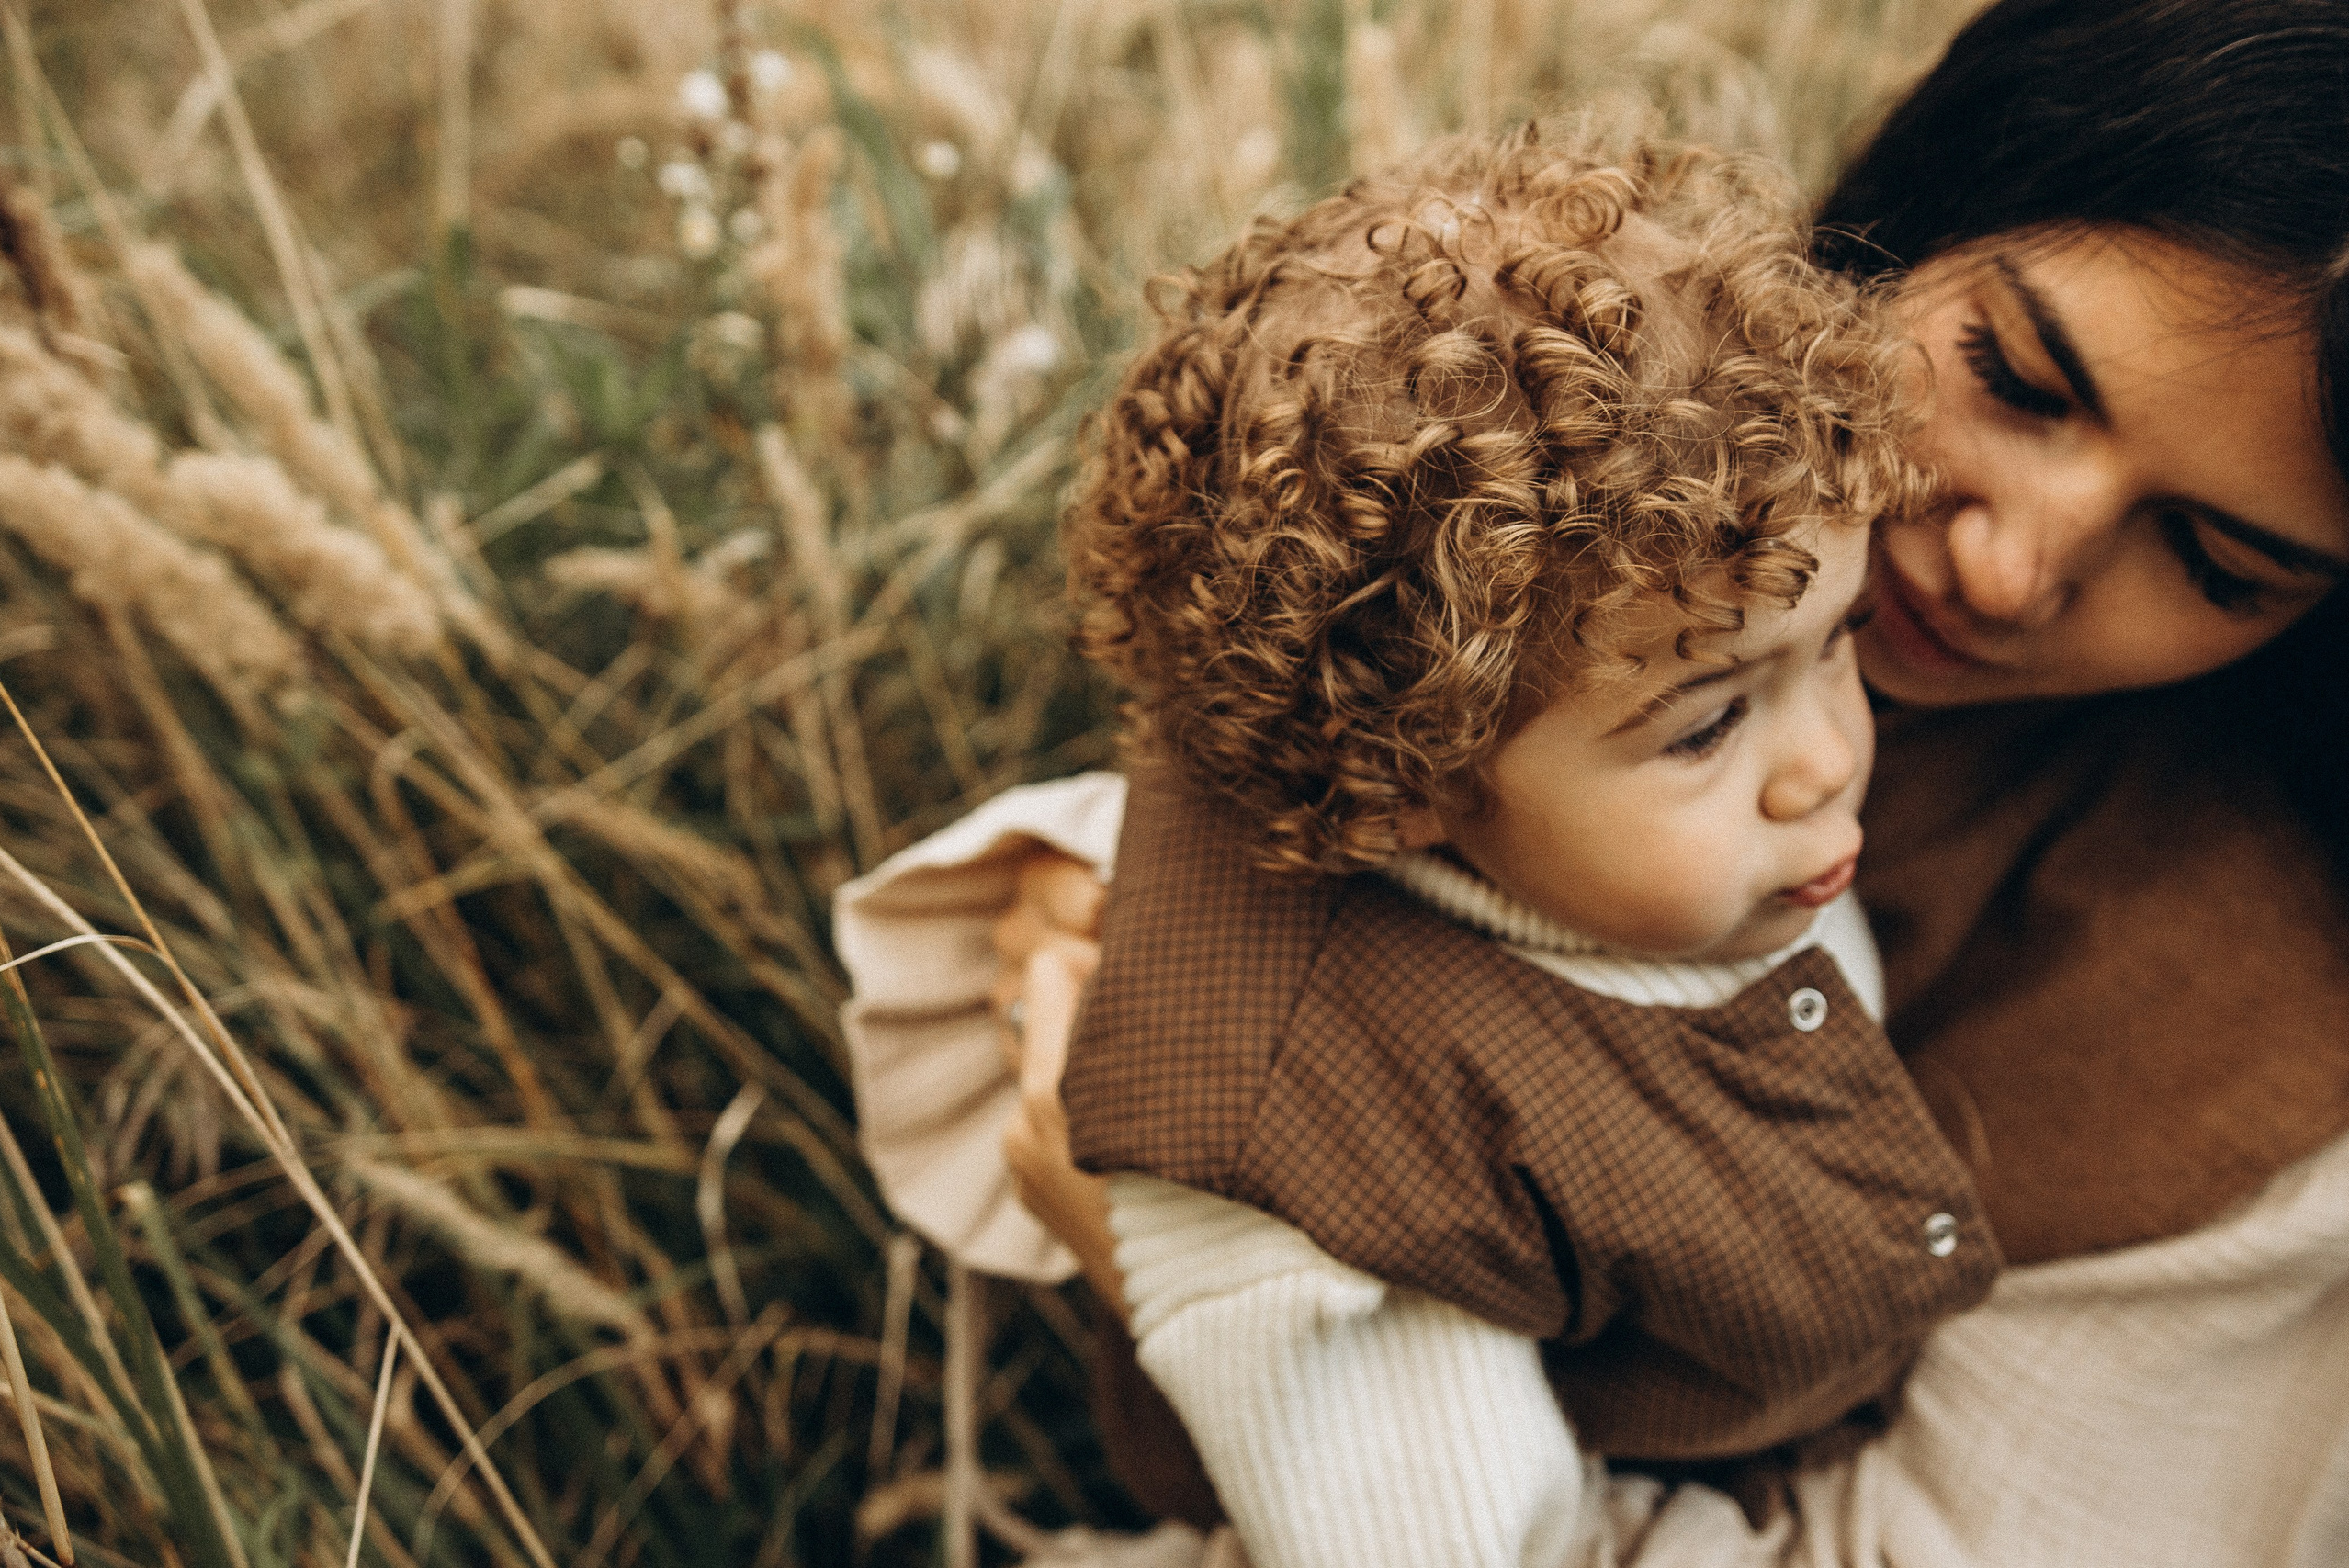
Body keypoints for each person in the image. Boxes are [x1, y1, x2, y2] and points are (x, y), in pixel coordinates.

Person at [858, 1, 2349, 1563]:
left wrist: (1183, 1301)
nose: (2004, 567)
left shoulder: (2269, 1055)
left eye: (2215, 559)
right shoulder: (1600, 439)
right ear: (1929, 204)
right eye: (2016, 378)